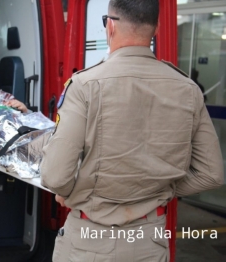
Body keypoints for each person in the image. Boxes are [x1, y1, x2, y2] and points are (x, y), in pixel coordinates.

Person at [40, 0, 224, 261]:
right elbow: (212, 175)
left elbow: (56, 176)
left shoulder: (85, 85)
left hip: (89, 242)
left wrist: (83, 191)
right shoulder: (188, 89)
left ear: (110, 26)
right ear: (157, 28)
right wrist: (162, 187)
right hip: (150, 242)